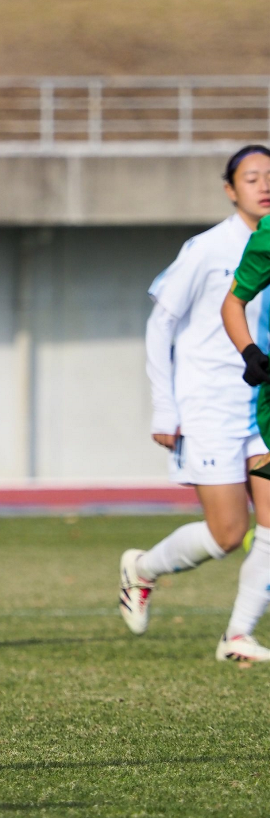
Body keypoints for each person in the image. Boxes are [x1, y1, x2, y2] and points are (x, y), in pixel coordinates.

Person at [120, 145, 270, 662]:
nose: (264, 185)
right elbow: (160, 324)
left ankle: (237, 636)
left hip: (264, 404)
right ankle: (143, 569)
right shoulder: (207, 248)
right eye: (252, 177)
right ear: (231, 190)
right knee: (227, 533)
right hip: (210, 404)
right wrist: (166, 406)